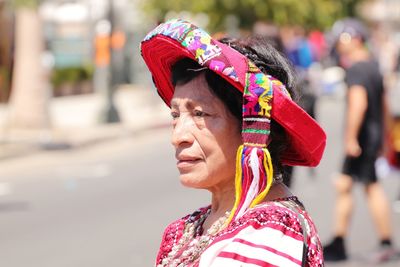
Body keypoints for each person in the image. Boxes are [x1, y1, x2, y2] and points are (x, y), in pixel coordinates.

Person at [141, 19, 326, 266]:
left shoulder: (267, 235)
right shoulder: (189, 229)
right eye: (175, 115)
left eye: (200, 114)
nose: (178, 137)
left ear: (256, 130)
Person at [323, 18, 397, 263]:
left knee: (368, 187)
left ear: (352, 38)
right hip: (373, 136)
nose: (339, 46)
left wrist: (351, 138)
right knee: (346, 185)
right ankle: (340, 239)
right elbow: (385, 105)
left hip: (363, 138)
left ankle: (382, 242)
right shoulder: (373, 66)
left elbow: (358, 103)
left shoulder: (356, 68)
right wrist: (386, 138)